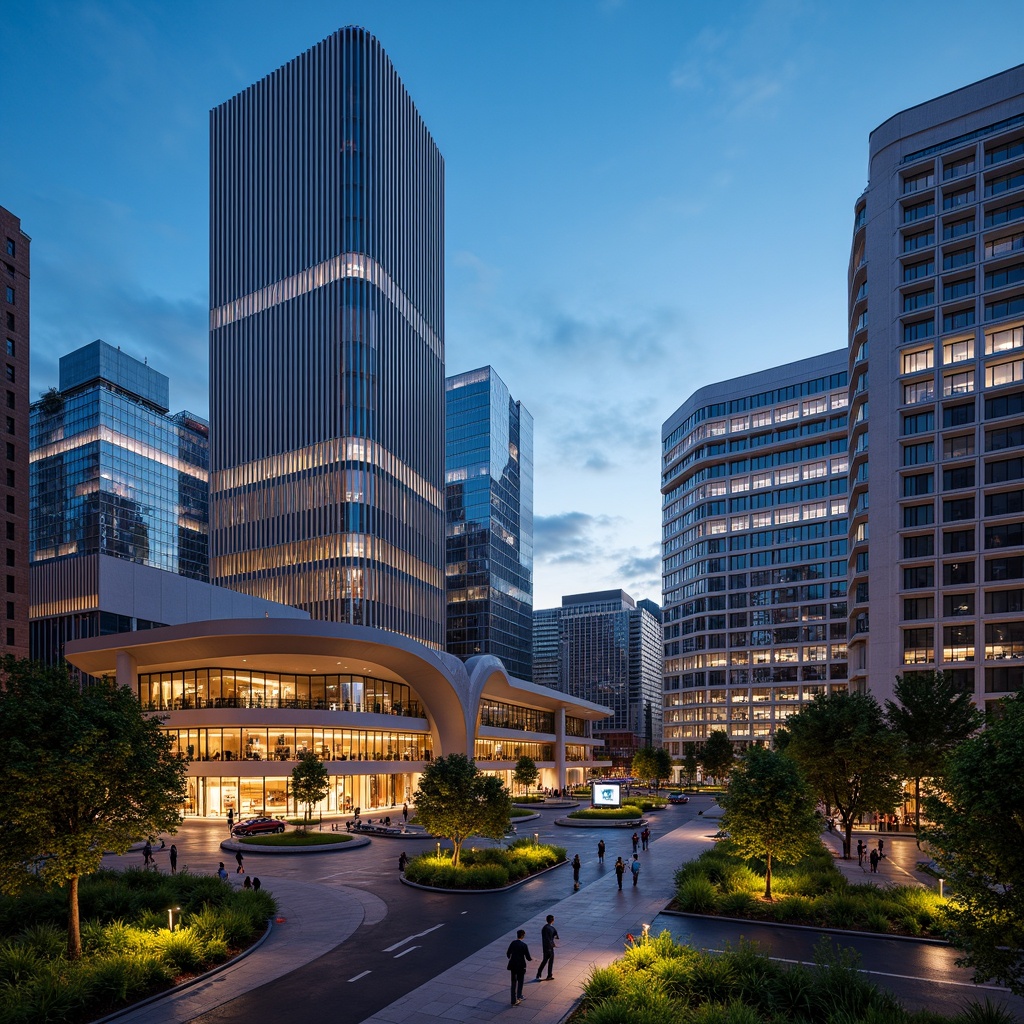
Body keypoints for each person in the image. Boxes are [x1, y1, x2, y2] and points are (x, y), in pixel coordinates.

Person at [506, 929, 531, 1006]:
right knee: (520, 981)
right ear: (523, 936)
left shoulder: (513, 943)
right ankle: (519, 996)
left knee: (513, 982)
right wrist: (531, 959)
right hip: (521, 966)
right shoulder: (524, 945)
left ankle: (513, 1000)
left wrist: (512, 958)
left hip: (513, 965)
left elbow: (508, 953)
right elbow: (528, 957)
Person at [536, 914, 558, 980]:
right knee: (550, 961)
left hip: (545, 947)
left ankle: (539, 974)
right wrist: (553, 944)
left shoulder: (544, 927)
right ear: (553, 920)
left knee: (545, 960)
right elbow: (555, 936)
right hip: (549, 947)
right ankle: (549, 975)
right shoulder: (552, 928)